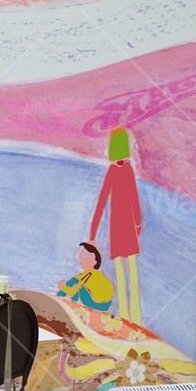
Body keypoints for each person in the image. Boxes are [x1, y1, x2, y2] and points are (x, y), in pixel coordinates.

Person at [89, 127, 142, 325]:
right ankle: (135, 318)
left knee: (121, 273)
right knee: (132, 273)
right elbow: (134, 201)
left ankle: (126, 318)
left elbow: (101, 202)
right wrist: (138, 225)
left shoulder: (113, 171)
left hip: (117, 228)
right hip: (128, 228)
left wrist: (93, 233)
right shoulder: (127, 169)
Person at [57, 242, 114, 311]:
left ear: (95, 261)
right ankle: (61, 301)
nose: (81, 258)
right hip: (106, 305)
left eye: (85, 256)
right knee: (76, 281)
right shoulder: (98, 273)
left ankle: (59, 300)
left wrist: (62, 287)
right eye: (81, 255)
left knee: (75, 281)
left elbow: (73, 292)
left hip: (96, 305)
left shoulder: (89, 273)